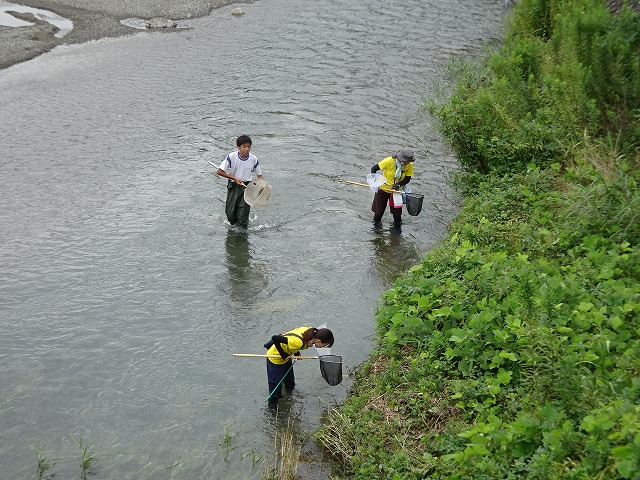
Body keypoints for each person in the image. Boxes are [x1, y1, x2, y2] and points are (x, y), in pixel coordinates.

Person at [263, 326, 334, 406]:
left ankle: (290, 400)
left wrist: (296, 352)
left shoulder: (310, 331)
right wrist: (283, 354)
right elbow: (275, 338)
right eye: (324, 345)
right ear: (318, 341)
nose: (323, 347)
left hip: (287, 356)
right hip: (276, 358)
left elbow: (293, 335)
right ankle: (273, 409)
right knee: (275, 392)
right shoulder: (298, 343)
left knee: (290, 383)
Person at [216, 135, 264, 228]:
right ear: (238, 147)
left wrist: (260, 186)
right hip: (233, 186)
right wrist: (235, 178)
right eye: (244, 146)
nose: (247, 149)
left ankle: (242, 234)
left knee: (243, 215)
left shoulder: (254, 159)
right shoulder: (232, 156)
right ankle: (235, 229)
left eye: (249, 147)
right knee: (230, 214)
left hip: (247, 188)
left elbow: (260, 175)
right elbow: (219, 171)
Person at [370, 148, 415, 226]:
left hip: (396, 192)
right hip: (383, 189)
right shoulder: (389, 161)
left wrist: (399, 184)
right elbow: (373, 169)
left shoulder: (409, 165)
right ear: (400, 158)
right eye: (405, 161)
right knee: (378, 213)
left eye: (408, 161)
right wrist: (375, 184)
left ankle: (397, 233)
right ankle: (376, 232)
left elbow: (407, 179)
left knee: (397, 215)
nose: (407, 163)